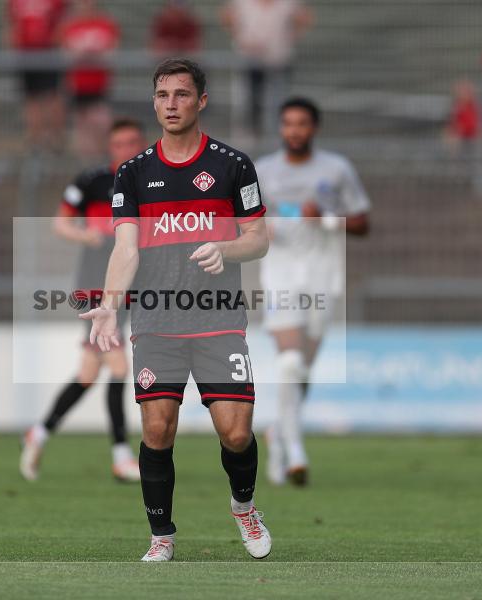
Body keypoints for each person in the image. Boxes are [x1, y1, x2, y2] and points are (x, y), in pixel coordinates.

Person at [80, 58, 271, 562]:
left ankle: (244, 506)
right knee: (158, 429)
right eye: (163, 95)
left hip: (219, 319)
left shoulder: (233, 165)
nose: (171, 104)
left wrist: (226, 249)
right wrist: (108, 305)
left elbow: (258, 238)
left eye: (182, 95)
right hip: (156, 321)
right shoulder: (135, 172)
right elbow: (126, 249)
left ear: (201, 101)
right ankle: (161, 537)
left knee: (236, 432)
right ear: (154, 101)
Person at [20, 119, 149, 483]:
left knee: (89, 374)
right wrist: (88, 235)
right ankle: (122, 455)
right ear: (111, 147)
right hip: (93, 289)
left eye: (133, 142)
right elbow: (60, 223)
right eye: (120, 143)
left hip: (126, 289)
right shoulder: (92, 181)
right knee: (120, 369)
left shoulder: (150, 183)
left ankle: (39, 432)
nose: (127, 148)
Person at [255, 97, 370, 486]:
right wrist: (256, 229)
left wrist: (327, 220)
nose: (295, 130)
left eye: (302, 123)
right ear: (281, 129)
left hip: (324, 276)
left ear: (314, 128)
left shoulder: (336, 169)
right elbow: (240, 221)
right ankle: (295, 454)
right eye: (288, 123)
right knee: (289, 362)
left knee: (302, 371)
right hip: (280, 274)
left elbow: (362, 223)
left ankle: (277, 435)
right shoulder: (263, 171)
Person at [221, 0, 313, 136]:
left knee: (277, 100)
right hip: (250, 59)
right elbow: (226, 15)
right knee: (250, 100)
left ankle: (277, 135)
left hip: (278, 59)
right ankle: (250, 135)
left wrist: (292, 37)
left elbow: (304, 17)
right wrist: (240, 37)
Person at [61, 0, 121, 157]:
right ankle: (88, 166)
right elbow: (67, 54)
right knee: (82, 130)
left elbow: (111, 52)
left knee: (101, 125)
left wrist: (89, 55)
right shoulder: (71, 25)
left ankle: (104, 160)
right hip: (79, 85)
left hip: (98, 85)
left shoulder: (105, 23)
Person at [7, 0, 67, 148]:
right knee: (31, 97)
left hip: (48, 51)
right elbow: (12, 24)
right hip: (26, 53)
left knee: (52, 96)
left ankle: (55, 138)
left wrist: (52, 44)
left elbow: (62, 21)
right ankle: (34, 139)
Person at [444, 79, 482, 151]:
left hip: (470, 138)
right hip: (460, 139)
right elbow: (452, 123)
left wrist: (459, 130)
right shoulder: (456, 106)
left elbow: (473, 125)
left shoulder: (473, 107)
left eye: (465, 91)